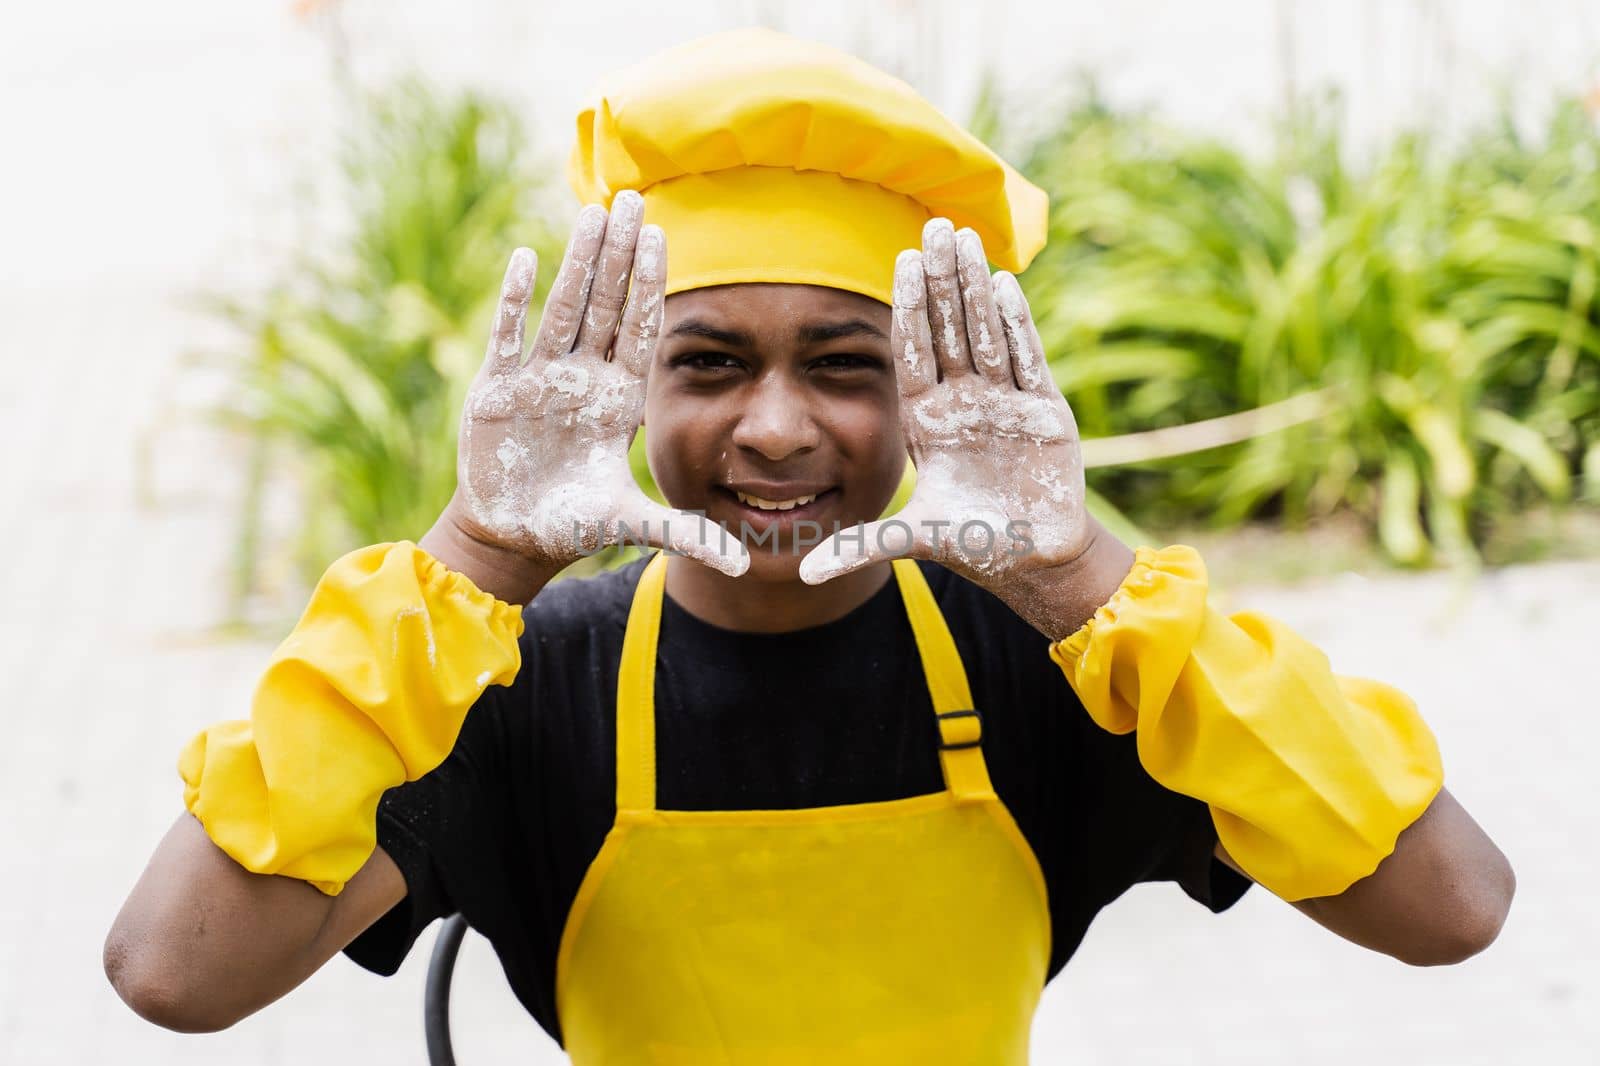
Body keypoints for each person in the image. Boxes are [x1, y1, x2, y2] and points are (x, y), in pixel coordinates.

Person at [104, 28, 1514, 1062]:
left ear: (931, 390)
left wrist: (1078, 575)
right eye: (709, 362)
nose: (776, 428)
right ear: (626, 384)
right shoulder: (521, 684)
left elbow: (1449, 904)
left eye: (845, 365)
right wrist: (478, 547)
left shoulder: (1045, 663)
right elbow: (173, 969)